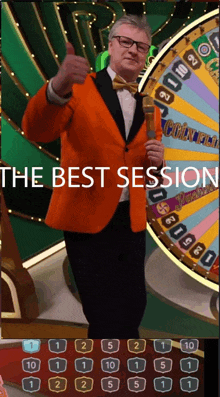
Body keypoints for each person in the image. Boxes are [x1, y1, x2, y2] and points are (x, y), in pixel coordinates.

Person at [22, 14, 164, 339]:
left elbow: (141, 167)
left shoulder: (150, 106)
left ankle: (128, 366)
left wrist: (156, 166)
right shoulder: (78, 87)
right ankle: (106, 376)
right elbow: (36, 129)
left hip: (130, 221)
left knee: (133, 304)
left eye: (141, 46)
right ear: (111, 46)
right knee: (102, 309)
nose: (133, 50)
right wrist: (57, 86)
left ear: (146, 55)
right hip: (87, 218)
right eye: (126, 42)